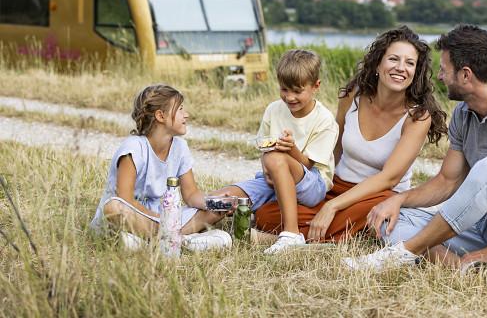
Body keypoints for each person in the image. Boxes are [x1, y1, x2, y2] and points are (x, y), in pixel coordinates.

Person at [343, 24, 487, 272]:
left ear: (465, 75)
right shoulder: (462, 114)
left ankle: (405, 252)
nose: (439, 76)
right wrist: (398, 200)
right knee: (389, 219)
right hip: (484, 226)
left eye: (444, 70)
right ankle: (467, 270)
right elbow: (447, 181)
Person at [254, 26, 448, 242]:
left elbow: (390, 178)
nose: (401, 68)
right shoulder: (353, 95)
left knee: (362, 215)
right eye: (393, 59)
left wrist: (332, 207)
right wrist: (323, 193)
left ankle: (288, 238)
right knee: (266, 214)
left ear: (416, 72)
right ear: (378, 63)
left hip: (377, 195)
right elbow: (334, 148)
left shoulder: (418, 116)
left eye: (410, 63)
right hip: (338, 185)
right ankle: (325, 235)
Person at [217, 49, 339, 254]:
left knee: (275, 158)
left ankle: (291, 234)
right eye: (284, 89)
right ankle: (182, 230)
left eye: (297, 91)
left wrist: (291, 149)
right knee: (222, 197)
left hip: (312, 183)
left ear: (315, 86)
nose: (289, 97)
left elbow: (308, 164)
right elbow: (263, 147)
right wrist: (267, 170)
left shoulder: (324, 120)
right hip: (273, 176)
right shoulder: (273, 110)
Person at [91, 84, 231, 251]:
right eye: (180, 109)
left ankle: (155, 241)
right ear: (160, 115)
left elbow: (191, 195)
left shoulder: (180, 147)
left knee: (212, 211)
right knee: (114, 208)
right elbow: (125, 199)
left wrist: (216, 203)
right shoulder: (133, 148)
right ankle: (179, 239)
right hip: (133, 216)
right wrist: (162, 221)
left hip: (161, 218)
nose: (186, 114)